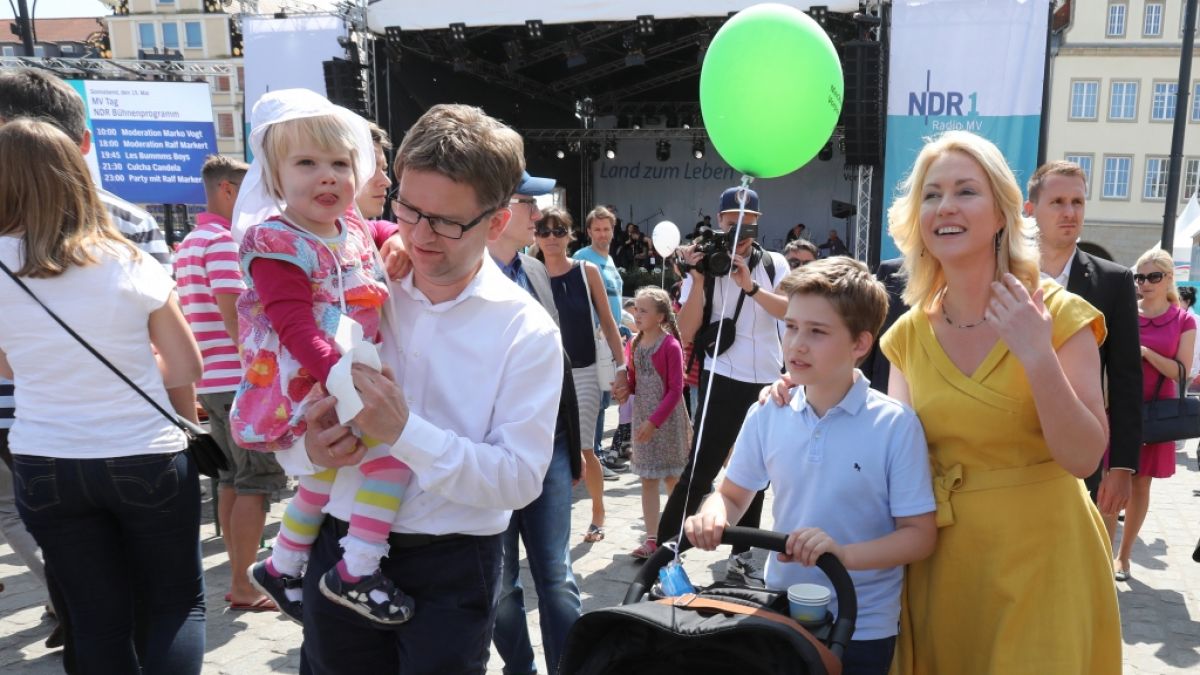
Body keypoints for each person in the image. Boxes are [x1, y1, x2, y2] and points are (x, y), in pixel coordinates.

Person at [278, 102, 563, 674]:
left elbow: (518, 478)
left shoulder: (525, 330)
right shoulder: (352, 280)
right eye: (408, 209)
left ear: (497, 222)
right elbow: (278, 404)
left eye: (447, 222)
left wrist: (405, 433)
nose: (421, 235)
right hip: (337, 551)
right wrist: (303, 449)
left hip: (452, 564)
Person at [880, 130, 1120, 672]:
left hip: (1046, 564)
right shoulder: (907, 335)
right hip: (943, 572)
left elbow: (1085, 458)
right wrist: (812, 398)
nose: (945, 206)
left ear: (1002, 213)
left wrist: (1037, 355)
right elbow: (890, 457)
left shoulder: (1059, 314)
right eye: (931, 194)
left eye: (966, 191)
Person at [0, 67, 192, 669]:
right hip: (144, 449)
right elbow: (187, 363)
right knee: (174, 606)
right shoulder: (131, 253)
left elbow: (7, 367)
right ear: (76, 160)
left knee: (94, 619)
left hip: (44, 457)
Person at [688, 257, 937, 675]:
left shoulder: (895, 424)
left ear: (860, 344)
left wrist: (842, 555)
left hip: (863, 626)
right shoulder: (768, 412)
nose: (796, 344)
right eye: (790, 326)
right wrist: (710, 516)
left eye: (817, 332)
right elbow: (732, 494)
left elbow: (919, 536)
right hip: (782, 611)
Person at [231, 90, 411, 626]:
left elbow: (380, 232)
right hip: (312, 376)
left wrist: (397, 236)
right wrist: (347, 378)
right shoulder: (277, 243)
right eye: (307, 163)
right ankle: (357, 569)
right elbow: (293, 326)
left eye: (340, 163)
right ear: (274, 175)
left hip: (338, 371)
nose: (327, 176)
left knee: (335, 465)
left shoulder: (351, 227)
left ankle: (283, 562)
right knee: (393, 457)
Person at [659, 185, 788, 585]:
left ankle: (742, 557)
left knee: (755, 476)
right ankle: (665, 554)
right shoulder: (705, 267)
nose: (739, 236)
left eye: (748, 227)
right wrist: (698, 280)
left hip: (766, 380)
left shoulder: (774, 264)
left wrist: (750, 285)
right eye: (732, 225)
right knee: (699, 471)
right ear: (719, 222)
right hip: (722, 377)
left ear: (758, 225)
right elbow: (687, 330)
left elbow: (791, 310)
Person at [174, 154, 287, 612]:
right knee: (256, 482)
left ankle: (240, 571)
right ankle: (244, 583)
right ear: (227, 190)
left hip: (211, 382)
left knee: (231, 480)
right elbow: (233, 317)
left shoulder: (190, 241)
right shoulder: (221, 241)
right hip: (240, 382)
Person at [488, 179, 586, 675]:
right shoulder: (461, 274)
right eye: (530, 202)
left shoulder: (533, 269)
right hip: (491, 454)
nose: (539, 213)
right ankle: (520, 669)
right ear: (500, 208)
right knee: (501, 585)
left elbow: (559, 364)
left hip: (552, 448)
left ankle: (568, 667)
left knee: (557, 574)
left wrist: (575, 444)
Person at [1025, 160, 1142, 540]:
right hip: (1013, 444)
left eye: (1077, 202)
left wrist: (1122, 465)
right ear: (1031, 210)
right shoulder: (1004, 276)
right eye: (1057, 201)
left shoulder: (1113, 281)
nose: (1070, 212)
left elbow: (1126, 377)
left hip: (1079, 450)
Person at [533, 206, 626, 541]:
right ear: (536, 235)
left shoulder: (587, 271)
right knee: (543, 449)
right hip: (542, 377)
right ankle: (547, 521)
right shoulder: (530, 273)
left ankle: (598, 512)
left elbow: (609, 324)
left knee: (585, 446)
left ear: (570, 235)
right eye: (544, 231)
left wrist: (622, 368)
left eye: (559, 231)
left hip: (584, 371)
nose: (552, 237)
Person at [1111, 248, 1195, 582]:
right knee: (1108, 481)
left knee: (1140, 484)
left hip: (1156, 411)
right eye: (1140, 277)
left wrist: (1145, 352)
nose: (1145, 283)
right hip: (1116, 405)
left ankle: (1124, 556)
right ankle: (1101, 553)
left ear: (1168, 279)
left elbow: (1182, 372)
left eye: (1153, 277)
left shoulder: (1183, 319)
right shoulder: (1125, 312)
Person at [622, 287, 690, 560]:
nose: (636, 314)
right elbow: (634, 382)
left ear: (661, 316)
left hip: (667, 421)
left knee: (672, 478)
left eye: (643, 310)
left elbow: (676, 389)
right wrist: (624, 389)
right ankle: (652, 538)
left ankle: (675, 536)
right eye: (636, 308)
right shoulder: (635, 343)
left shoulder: (670, 345)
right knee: (647, 479)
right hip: (643, 420)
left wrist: (654, 422)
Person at [573, 206, 630, 474]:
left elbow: (613, 301)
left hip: (612, 341)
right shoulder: (583, 258)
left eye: (606, 228)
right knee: (595, 401)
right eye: (597, 229)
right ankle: (592, 458)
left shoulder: (608, 259)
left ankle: (596, 457)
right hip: (595, 343)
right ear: (588, 232)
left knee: (604, 400)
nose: (602, 233)